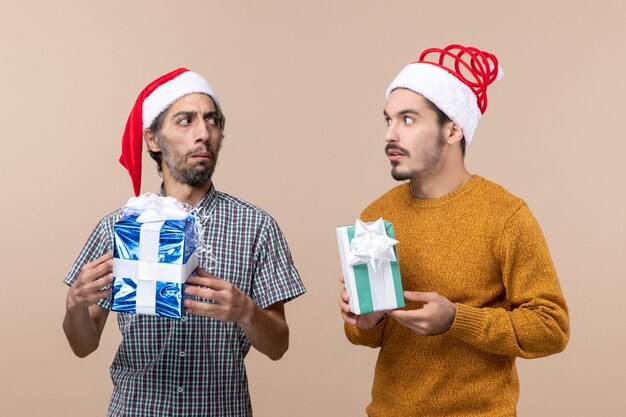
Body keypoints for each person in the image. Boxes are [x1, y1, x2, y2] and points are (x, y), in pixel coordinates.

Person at [339, 45, 569, 417]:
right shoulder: (377, 214)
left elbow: (551, 327)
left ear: (453, 129)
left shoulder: (505, 215)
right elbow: (365, 334)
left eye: (408, 120)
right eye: (388, 120)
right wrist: (366, 320)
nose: (390, 135)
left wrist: (456, 320)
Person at [62, 68, 305, 416]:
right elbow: (82, 345)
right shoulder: (119, 227)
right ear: (153, 139)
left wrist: (245, 312)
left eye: (212, 121)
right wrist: (74, 305)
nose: (203, 133)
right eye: (185, 121)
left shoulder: (257, 226)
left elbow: (278, 345)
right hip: (137, 409)